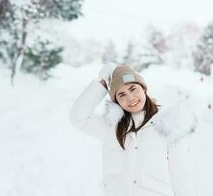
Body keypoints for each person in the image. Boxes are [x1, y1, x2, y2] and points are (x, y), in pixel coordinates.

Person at [69, 63, 197, 196]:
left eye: (133, 88)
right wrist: (102, 84)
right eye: (121, 94)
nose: (130, 97)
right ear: (116, 101)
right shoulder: (111, 126)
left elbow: (180, 175)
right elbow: (77, 118)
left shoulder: (167, 124)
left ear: (143, 88)